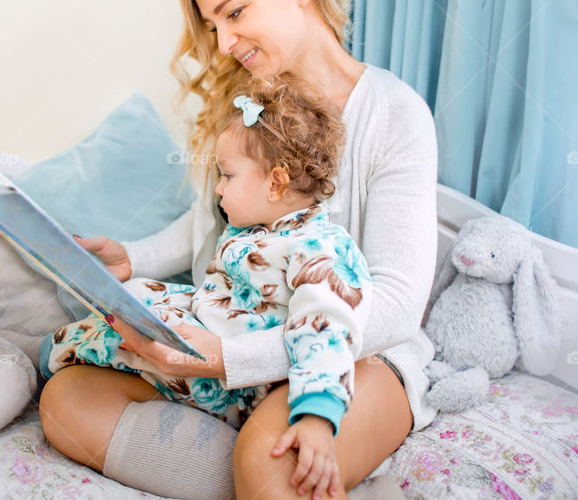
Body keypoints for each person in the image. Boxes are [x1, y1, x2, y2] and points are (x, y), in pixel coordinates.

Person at [34, 0, 438, 500]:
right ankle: (247, 469)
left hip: (351, 351)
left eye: (235, 13)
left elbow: (399, 304)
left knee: (277, 462)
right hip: (236, 328)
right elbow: (213, 223)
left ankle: (260, 466)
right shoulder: (248, 110)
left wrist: (232, 359)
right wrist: (132, 258)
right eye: (213, 26)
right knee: (67, 399)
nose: (223, 44)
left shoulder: (395, 113)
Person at [35, 76, 371, 496]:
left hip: (238, 382)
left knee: (144, 312)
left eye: (227, 175)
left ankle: (51, 352)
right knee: (139, 294)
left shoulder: (318, 249)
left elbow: (327, 332)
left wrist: (318, 418)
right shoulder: (259, 226)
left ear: (277, 183)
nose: (218, 188)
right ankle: (61, 348)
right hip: (210, 333)